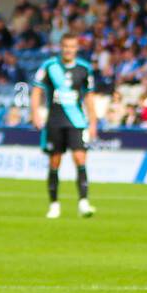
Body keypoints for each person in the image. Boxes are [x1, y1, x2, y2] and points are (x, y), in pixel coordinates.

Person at [31, 33, 98, 219]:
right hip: (54, 121)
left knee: (80, 159)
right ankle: (54, 204)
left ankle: (83, 202)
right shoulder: (49, 66)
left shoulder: (84, 69)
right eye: (66, 46)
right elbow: (36, 90)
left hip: (77, 121)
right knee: (54, 162)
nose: (69, 50)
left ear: (77, 48)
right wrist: (35, 112)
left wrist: (93, 122)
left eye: (72, 46)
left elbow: (89, 97)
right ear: (61, 47)